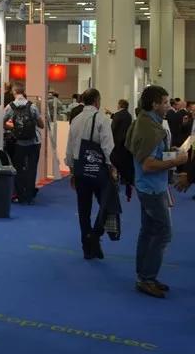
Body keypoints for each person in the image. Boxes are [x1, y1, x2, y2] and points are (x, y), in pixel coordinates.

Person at [126, 84, 186, 298]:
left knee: (148, 231)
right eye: (165, 102)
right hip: (153, 188)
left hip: (147, 186)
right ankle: (147, 278)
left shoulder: (144, 123)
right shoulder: (151, 130)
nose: (168, 106)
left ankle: (143, 275)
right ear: (155, 104)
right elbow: (148, 165)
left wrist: (171, 154)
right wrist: (176, 161)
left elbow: (151, 156)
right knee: (163, 233)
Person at [65, 89, 116, 259]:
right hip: (99, 170)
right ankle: (94, 236)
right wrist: (112, 167)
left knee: (84, 210)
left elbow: (70, 148)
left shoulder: (75, 120)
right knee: (107, 206)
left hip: (80, 170)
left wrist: (72, 170)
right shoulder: (102, 119)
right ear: (97, 101)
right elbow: (108, 147)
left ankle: (87, 248)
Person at [3, 82, 45, 204]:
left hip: (20, 143)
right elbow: (41, 125)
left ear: (14, 92)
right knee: (32, 169)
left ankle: (20, 196)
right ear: (24, 91)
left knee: (19, 169)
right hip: (34, 142)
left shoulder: (10, 107)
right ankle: (29, 196)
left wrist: (14, 126)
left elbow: (3, 123)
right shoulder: (32, 106)